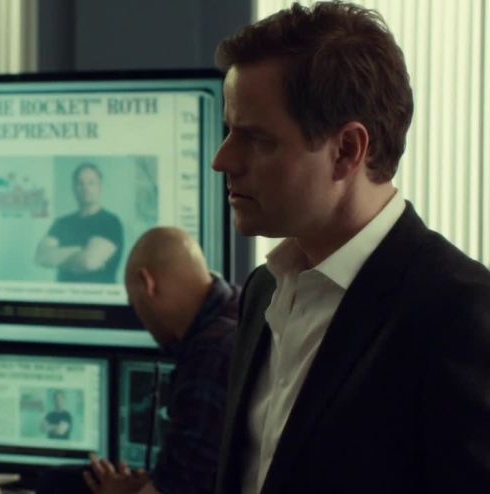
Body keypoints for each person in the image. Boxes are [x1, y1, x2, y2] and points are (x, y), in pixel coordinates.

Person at [211, 3, 490, 494]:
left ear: (346, 150)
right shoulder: (262, 290)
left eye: (255, 138)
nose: (222, 159)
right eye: (229, 131)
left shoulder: (459, 312)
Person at [83, 227, 239, 494]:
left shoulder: (210, 354)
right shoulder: (242, 306)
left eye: (135, 305)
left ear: (148, 284)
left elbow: (182, 487)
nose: (141, 320)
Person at [35, 162, 124, 283]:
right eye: (80, 183)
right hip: (64, 294)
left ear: (100, 187)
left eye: (91, 183)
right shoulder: (62, 223)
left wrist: (58, 257)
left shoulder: (110, 222)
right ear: (74, 188)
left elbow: (89, 262)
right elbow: (41, 257)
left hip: (98, 294)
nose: (85, 188)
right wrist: (79, 250)